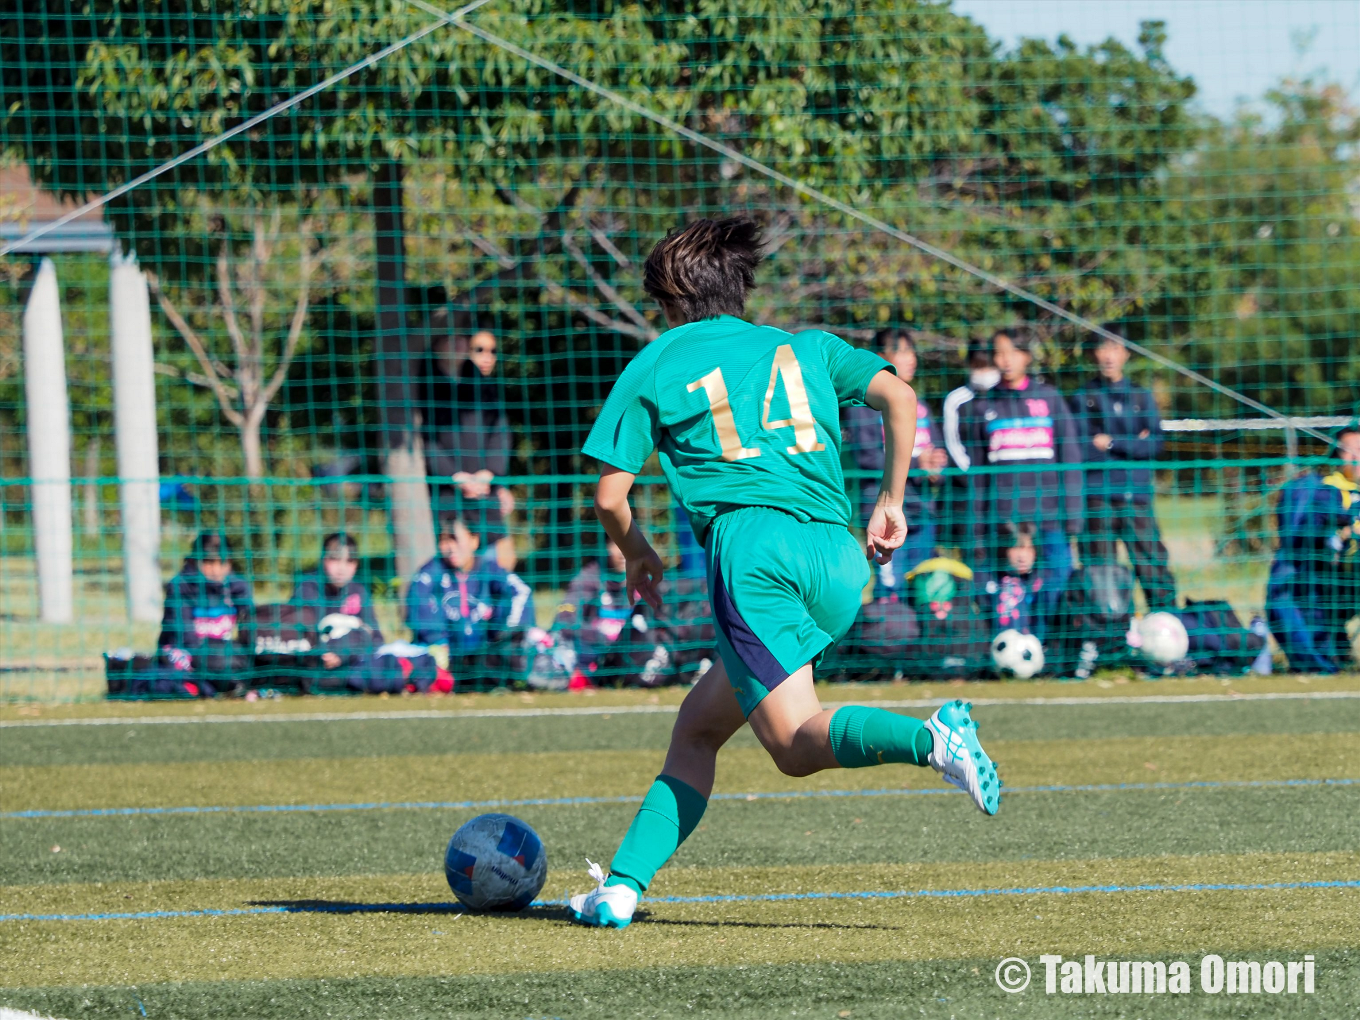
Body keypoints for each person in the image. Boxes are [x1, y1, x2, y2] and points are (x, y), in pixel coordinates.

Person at [568, 216, 1000, 930]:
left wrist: (638, 550)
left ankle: (935, 739)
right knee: (699, 728)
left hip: (753, 552)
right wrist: (890, 500)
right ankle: (620, 888)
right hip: (838, 557)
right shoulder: (804, 347)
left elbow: (610, 496)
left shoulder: (658, 359)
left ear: (672, 300)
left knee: (794, 745)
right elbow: (901, 397)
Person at [965, 327, 1083, 596]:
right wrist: (978, 524)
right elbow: (979, 475)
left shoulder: (1050, 399)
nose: (1005, 360)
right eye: (999, 353)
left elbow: (1071, 459)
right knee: (1009, 595)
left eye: (1013, 352)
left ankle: (1052, 638)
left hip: (1050, 518)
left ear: (1027, 356)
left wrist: (1073, 516)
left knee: (1056, 588)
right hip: (1003, 520)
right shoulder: (983, 406)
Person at [1070, 334, 1176, 610]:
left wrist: (1112, 442)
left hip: (1135, 496)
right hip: (1097, 497)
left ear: (1126, 353)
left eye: (1114, 348)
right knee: (1100, 572)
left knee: (1152, 566)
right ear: (1093, 353)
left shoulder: (1140, 396)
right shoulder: (1083, 398)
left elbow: (1155, 443)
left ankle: (1167, 625)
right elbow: (1080, 449)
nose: (1108, 356)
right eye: (1102, 348)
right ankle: (1109, 634)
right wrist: (1133, 444)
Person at [843, 328, 948, 596]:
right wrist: (916, 463)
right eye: (901, 352)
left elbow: (935, 451)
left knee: (926, 588)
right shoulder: (864, 405)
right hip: (883, 508)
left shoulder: (918, 403)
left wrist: (935, 467)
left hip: (923, 510)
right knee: (892, 590)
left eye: (912, 351)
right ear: (881, 358)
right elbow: (868, 458)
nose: (911, 359)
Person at [1265, 423, 1360, 673]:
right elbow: (1322, 535)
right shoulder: (1328, 490)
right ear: (1339, 455)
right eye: (1349, 451)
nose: (1355, 457)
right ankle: (1329, 651)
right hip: (1337, 578)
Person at [424, 329, 518, 570]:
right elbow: (422, 440)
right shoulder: (423, 384)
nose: (456, 343)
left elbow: (500, 431)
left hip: (484, 490)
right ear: (435, 343)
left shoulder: (483, 384)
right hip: (446, 493)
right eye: (448, 336)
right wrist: (453, 477)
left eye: (461, 336)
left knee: (498, 565)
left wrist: (492, 475)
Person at [406, 512, 535, 684]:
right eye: (444, 541)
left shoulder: (490, 570)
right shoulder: (430, 572)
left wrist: (507, 631)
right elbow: (417, 603)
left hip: (487, 653)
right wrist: (437, 641)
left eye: (455, 539)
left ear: (474, 541)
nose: (450, 547)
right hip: (444, 656)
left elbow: (521, 592)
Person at [157, 530, 255, 695]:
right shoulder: (180, 586)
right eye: (209, 562)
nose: (216, 570)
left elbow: (251, 628)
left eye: (222, 563)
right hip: (187, 652)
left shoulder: (238, 587)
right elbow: (185, 637)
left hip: (223, 653)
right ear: (195, 561)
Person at [290, 532, 384, 676]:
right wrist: (327, 653)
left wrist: (343, 651)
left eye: (349, 561)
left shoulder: (358, 591)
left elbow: (376, 638)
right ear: (323, 559)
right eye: (335, 559)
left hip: (352, 665)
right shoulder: (307, 590)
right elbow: (296, 635)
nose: (342, 568)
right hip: (315, 666)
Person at [978, 522, 1056, 645]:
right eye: (1016, 547)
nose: (1022, 556)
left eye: (1029, 548)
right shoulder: (988, 578)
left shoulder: (1044, 580)